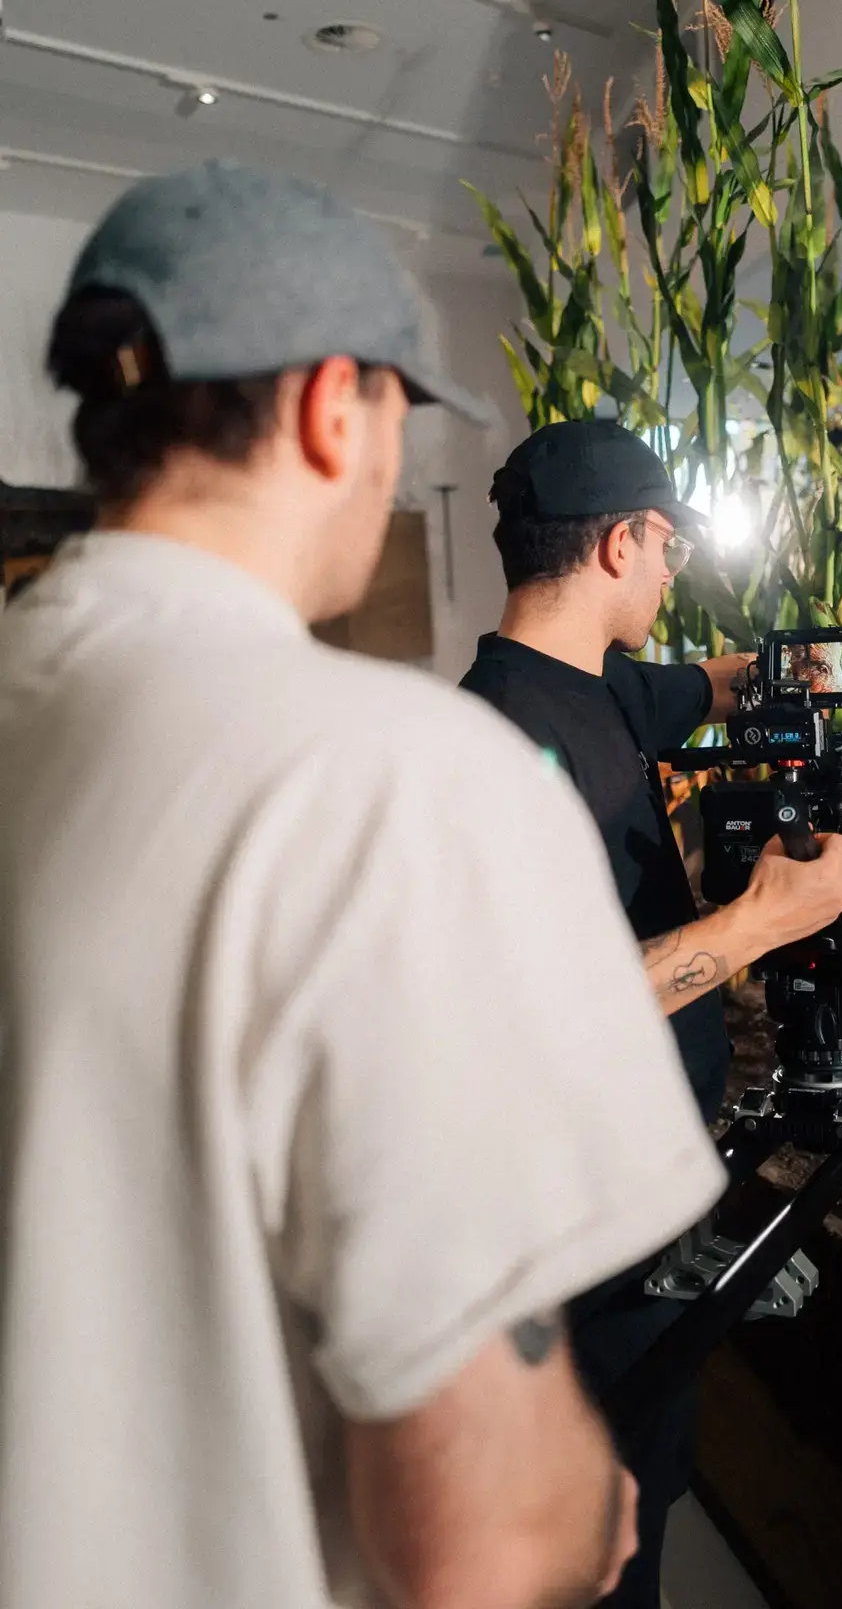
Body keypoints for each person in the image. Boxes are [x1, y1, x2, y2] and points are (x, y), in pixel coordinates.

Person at [0, 162, 730, 1609]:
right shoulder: (391, 782)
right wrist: (592, 1506)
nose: (394, 464)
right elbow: (487, 1532)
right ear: (337, 405)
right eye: (399, 415)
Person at [459, 419, 842, 1607]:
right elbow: (542, 1013)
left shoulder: (592, 686)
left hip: (639, 1193)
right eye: (669, 548)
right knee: (605, 1528)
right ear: (624, 540)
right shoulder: (494, 739)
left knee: (647, 1492)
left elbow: (735, 681)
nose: (675, 571)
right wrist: (753, 927)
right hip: (580, 1241)